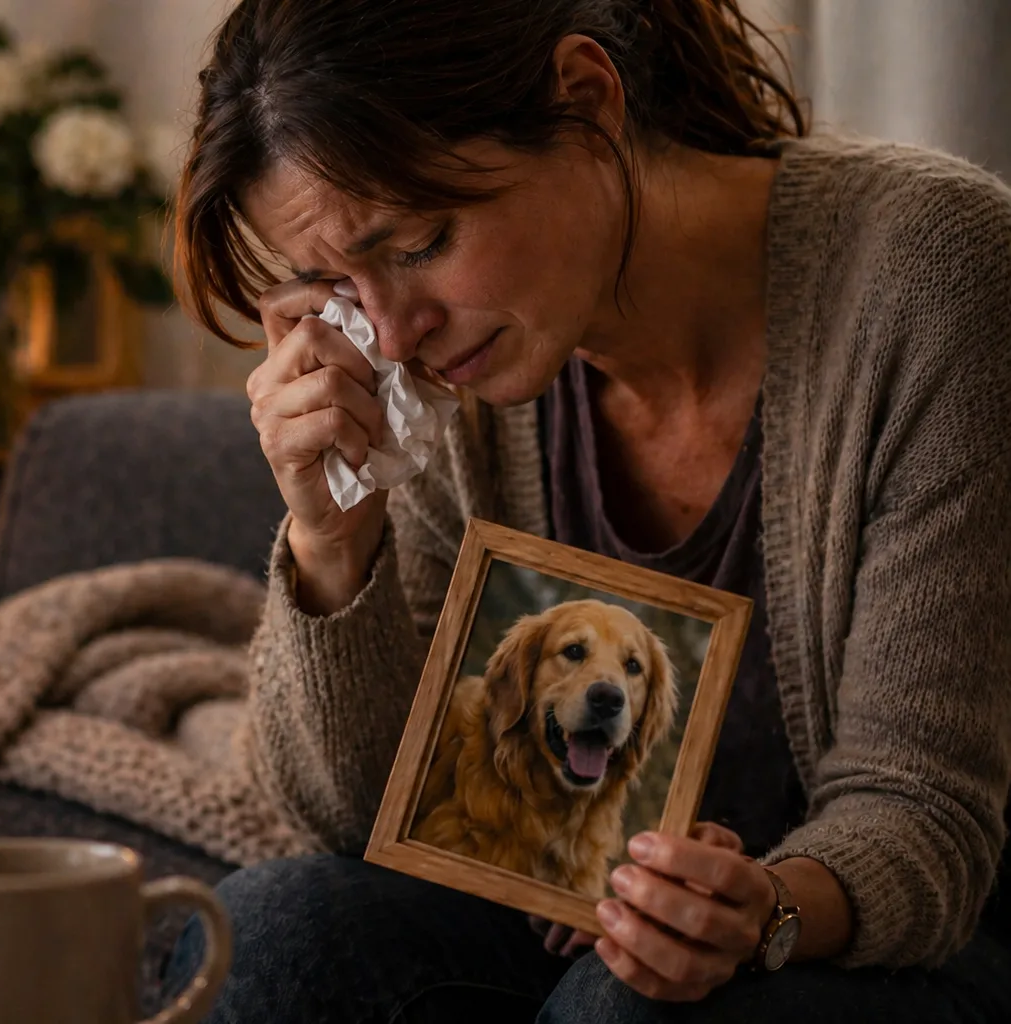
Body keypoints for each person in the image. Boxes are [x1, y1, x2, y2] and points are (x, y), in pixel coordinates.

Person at [159, 0, 1011, 1021]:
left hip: (896, 937)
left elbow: (924, 814)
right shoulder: (444, 374)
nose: (390, 332)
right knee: (269, 931)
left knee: (622, 1005)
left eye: (422, 240)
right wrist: (328, 538)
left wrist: (756, 910)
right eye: (335, 284)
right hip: (579, 933)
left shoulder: (933, 271)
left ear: (586, 98)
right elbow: (348, 820)